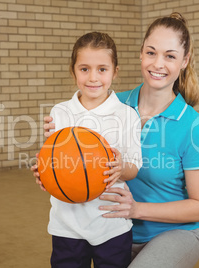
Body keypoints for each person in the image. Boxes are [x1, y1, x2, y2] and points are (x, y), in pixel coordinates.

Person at [41, 12, 199, 268]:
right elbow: (70, 150)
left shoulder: (194, 127)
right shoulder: (109, 102)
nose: (158, 64)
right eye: (151, 52)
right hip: (113, 228)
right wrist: (52, 163)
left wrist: (137, 210)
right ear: (141, 53)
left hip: (171, 232)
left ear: (184, 61)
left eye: (170, 56)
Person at [32, 32, 142, 268]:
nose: (93, 77)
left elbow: (134, 167)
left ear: (115, 71)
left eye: (102, 69)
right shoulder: (60, 112)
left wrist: (121, 168)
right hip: (67, 225)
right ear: (73, 71)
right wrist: (45, 174)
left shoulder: (126, 115)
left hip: (111, 223)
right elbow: (55, 162)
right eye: (84, 69)